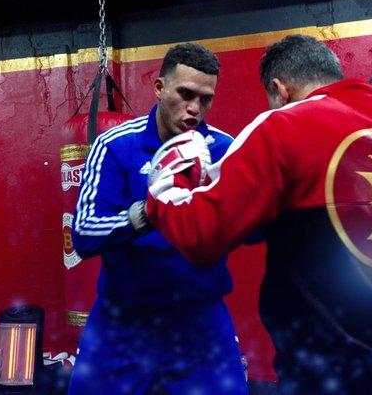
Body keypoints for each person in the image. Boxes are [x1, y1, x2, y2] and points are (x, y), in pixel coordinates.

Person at [142, 35, 372, 394]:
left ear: (280, 90)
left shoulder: (281, 127)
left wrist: (165, 189)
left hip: (327, 377)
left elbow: (203, 235)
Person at [68, 43, 248, 395]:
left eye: (205, 99)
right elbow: (83, 233)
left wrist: (246, 208)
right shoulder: (115, 144)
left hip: (200, 318)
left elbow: (250, 230)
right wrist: (145, 213)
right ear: (160, 88)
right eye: (185, 93)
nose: (194, 108)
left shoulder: (224, 149)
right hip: (124, 319)